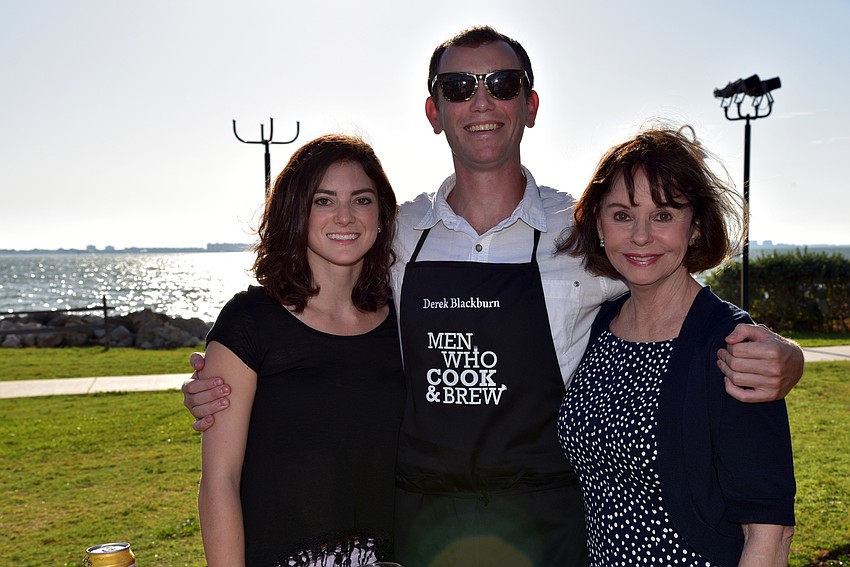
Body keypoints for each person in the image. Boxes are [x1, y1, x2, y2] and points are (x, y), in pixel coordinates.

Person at [184, 26, 804, 567]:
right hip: (421, 523)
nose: (481, 100)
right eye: (458, 87)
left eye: (502, 83)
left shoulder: (588, 231)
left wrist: (786, 357)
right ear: (434, 111)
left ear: (530, 104)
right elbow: (327, 328)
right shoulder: (392, 235)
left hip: (548, 525)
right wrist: (233, 378)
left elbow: (676, 294)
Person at [556, 125, 795, 566]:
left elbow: (770, 532)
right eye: (623, 215)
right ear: (599, 225)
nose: (641, 235)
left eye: (664, 215)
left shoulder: (730, 345)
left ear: (697, 227)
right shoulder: (602, 322)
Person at [196, 134, 405, 567]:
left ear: (382, 213)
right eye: (323, 200)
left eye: (361, 200)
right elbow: (220, 480)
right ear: (296, 210)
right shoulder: (249, 321)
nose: (345, 216)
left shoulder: (403, 322)